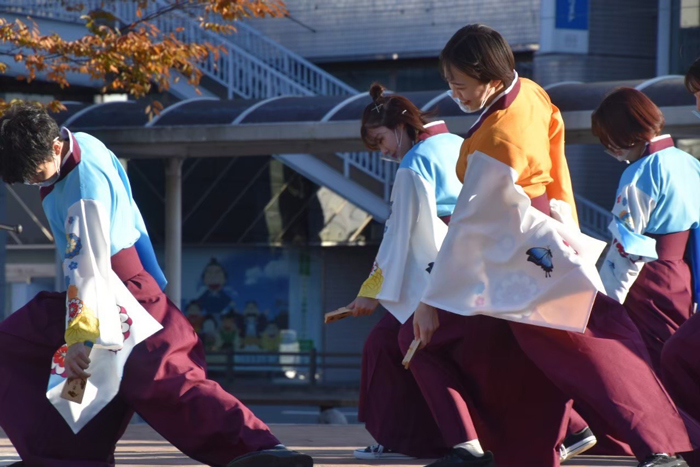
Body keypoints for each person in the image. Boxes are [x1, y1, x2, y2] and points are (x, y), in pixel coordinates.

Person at [399, 24, 692, 467]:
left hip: (514, 255)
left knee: (579, 350)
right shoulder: (531, 94)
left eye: (459, 84)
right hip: (540, 243)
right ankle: (637, 444)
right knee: (576, 350)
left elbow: (469, 224)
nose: (453, 93)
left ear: (491, 79)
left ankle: (479, 445)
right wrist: (567, 228)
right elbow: (556, 172)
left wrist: (431, 298)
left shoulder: (498, 137)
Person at [0, 103, 312, 467]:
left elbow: (88, 268)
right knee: (24, 347)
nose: (36, 182)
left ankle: (256, 448)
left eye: (36, 173)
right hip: (123, 285)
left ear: (55, 147)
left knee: (161, 378)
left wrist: (79, 339)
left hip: (108, 291)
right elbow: (133, 216)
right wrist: (153, 281)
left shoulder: (83, 188)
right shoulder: (86, 142)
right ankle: (63, 454)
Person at [350, 83, 464, 460]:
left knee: (387, 345)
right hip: (478, 260)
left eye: (380, 140)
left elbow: (399, 235)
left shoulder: (413, 165)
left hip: (439, 267)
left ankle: (399, 437)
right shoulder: (459, 142)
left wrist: (371, 289)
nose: (383, 151)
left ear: (400, 126)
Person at [592, 88, 700, 373]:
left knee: (650, 365)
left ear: (623, 134)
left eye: (608, 139)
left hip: (647, 279)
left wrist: (604, 301)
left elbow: (627, 248)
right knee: (683, 358)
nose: (609, 148)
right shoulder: (689, 162)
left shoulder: (638, 173)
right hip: (684, 274)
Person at [659, 58, 700, 439]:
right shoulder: (687, 161)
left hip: (657, 272)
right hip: (683, 270)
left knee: (675, 354)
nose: (699, 105)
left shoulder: (645, 170)